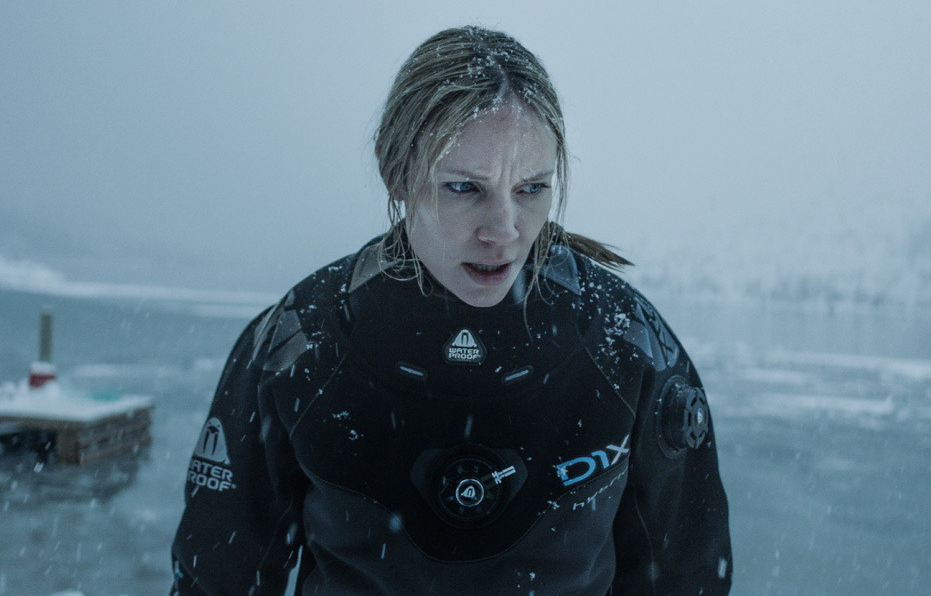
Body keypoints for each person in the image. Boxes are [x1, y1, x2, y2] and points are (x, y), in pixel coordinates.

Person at [170, 26, 732, 596]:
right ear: (397, 174)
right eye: (465, 188)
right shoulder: (303, 343)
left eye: (531, 189)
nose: (503, 230)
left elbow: (686, 578)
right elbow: (217, 580)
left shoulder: (625, 345)